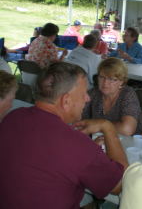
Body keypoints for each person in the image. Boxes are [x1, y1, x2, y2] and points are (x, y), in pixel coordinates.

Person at [0, 62, 128, 208]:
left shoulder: (13, 117)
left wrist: (88, 152)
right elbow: (120, 184)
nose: (87, 98)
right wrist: (108, 127)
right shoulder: (77, 146)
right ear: (66, 101)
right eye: (84, 93)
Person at [82, 58, 142, 135]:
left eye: (111, 79)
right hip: (100, 141)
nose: (105, 83)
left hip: (128, 144)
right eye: (102, 77)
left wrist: (100, 125)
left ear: (121, 81)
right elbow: (78, 119)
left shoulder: (127, 94)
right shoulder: (94, 93)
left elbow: (127, 129)